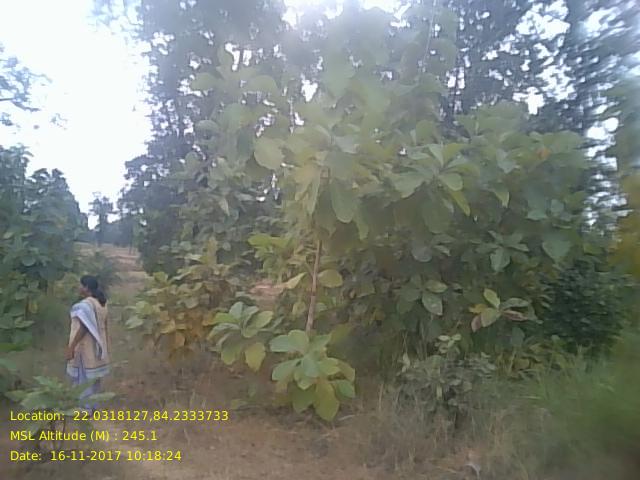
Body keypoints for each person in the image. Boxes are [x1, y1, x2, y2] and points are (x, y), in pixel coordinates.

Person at [65, 275, 111, 411]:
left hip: (86, 347)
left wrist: (71, 347)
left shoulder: (85, 305)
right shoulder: (101, 303)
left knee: (84, 378)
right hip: (98, 346)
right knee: (93, 379)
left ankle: (85, 409)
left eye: (81, 285)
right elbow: (105, 326)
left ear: (86, 287)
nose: (78, 287)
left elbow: (84, 328)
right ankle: (93, 406)